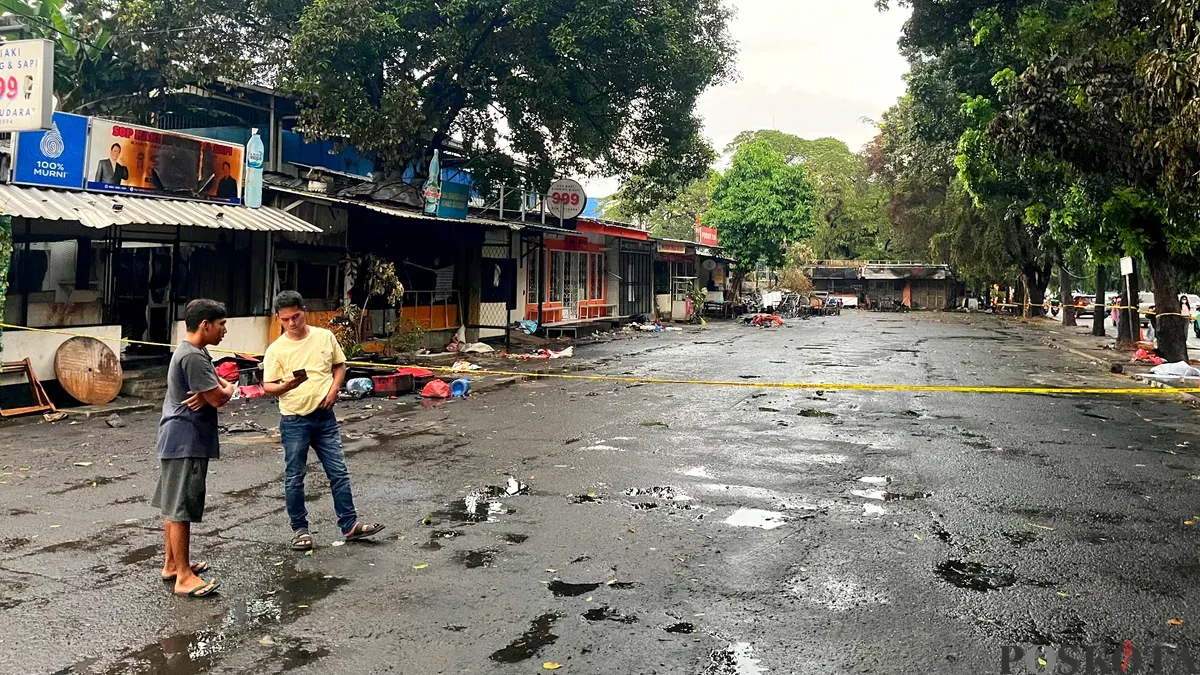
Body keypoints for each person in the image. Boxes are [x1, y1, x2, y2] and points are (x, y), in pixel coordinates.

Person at [263, 291, 385, 551]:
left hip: (325, 417)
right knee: (295, 477)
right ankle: (300, 530)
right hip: (294, 419)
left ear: (303, 310)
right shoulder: (276, 350)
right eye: (286, 319)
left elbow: (339, 366)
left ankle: (350, 524)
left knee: (338, 472)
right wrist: (287, 384)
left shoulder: (324, 337)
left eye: (296, 316)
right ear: (278, 319)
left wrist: (334, 391)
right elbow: (268, 386)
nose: (292, 323)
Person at [152, 299, 234, 598]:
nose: (224, 330)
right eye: (221, 324)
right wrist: (228, 390)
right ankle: (183, 577)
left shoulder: (196, 352)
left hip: (178, 437)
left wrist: (215, 388)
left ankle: (173, 564)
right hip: (186, 439)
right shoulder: (194, 357)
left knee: (173, 504)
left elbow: (213, 386)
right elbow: (219, 397)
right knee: (181, 507)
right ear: (205, 325)